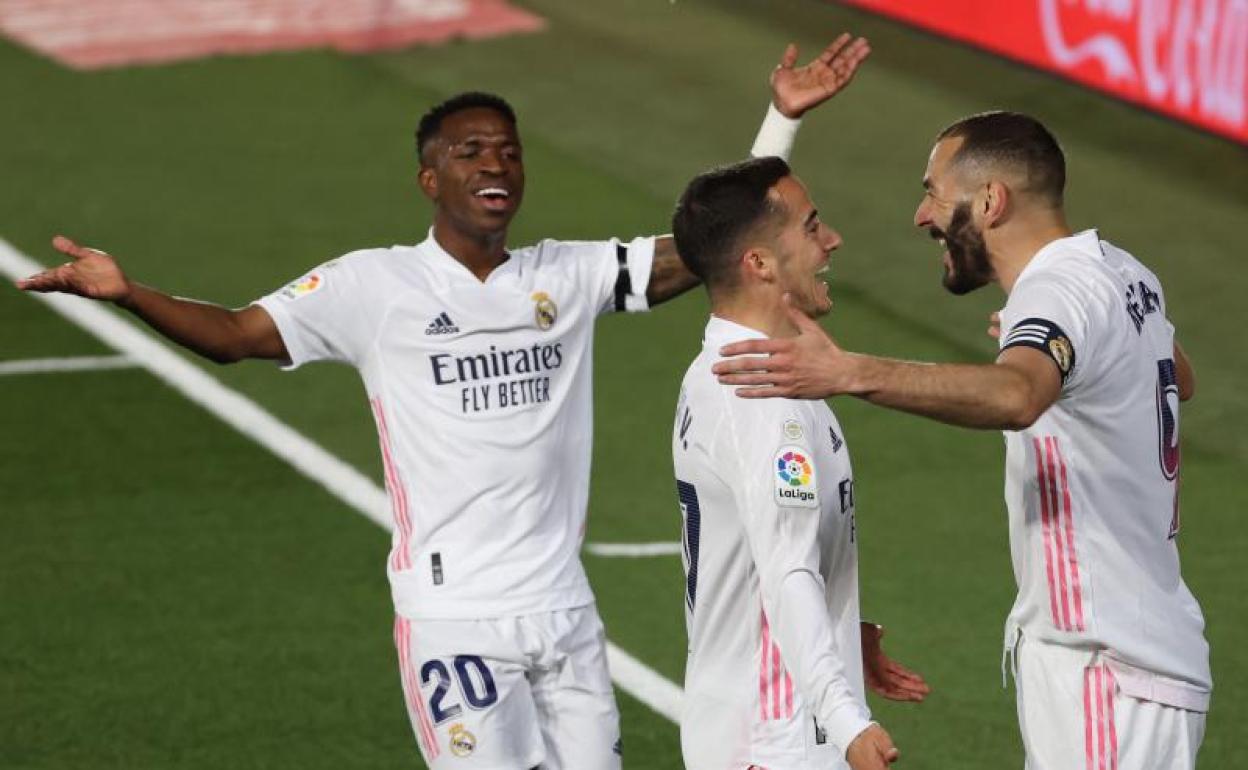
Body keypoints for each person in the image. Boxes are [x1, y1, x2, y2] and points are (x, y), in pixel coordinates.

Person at [16, 36, 872, 770]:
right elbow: (237, 333)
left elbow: (720, 245)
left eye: (508, 151)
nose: (494, 164)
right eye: (469, 152)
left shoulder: (563, 275)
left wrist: (781, 120)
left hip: (565, 611)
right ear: (429, 177)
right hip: (456, 620)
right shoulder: (372, 287)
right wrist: (130, 293)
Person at [712, 112, 1210, 769]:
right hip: (1139, 660)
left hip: (1105, 664)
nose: (922, 216)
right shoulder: (1121, 271)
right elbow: (1178, 375)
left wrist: (850, 372)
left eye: (934, 194)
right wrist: (1071, 351)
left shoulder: (1058, 293)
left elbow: (1018, 397)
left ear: (991, 201)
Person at [670, 156, 928, 770]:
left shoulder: (734, 369)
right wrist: (846, 720)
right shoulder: (760, 397)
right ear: (759, 263)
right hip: (776, 738)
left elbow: (769, 547)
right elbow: (785, 569)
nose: (832, 240)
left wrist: (841, 631)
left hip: (764, 724)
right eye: (812, 227)